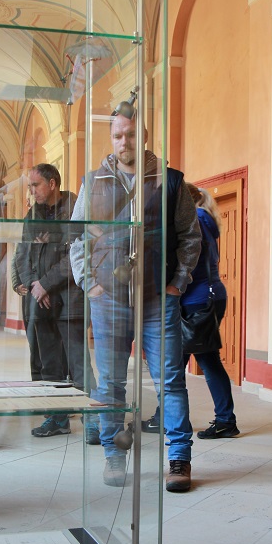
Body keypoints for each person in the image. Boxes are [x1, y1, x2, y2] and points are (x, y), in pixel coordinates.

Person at [70, 100, 200, 492]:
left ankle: (179, 458)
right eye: (117, 135)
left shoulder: (170, 181)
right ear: (110, 138)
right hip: (108, 298)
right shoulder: (94, 182)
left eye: (129, 134)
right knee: (110, 383)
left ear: (142, 136)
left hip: (158, 297)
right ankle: (113, 453)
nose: (123, 141)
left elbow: (190, 236)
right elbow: (77, 236)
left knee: (170, 381)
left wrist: (177, 283)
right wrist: (89, 283)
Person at [142, 185, 239, 439]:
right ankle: (168, 416)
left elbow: (189, 259)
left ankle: (224, 420)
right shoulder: (203, 218)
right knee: (181, 361)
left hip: (197, 300)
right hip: (202, 297)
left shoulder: (197, 219)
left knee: (203, 360)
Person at [13, 163, 98, 442]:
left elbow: (76, 255)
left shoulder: (76, 209)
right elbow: (22, 254)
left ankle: (93, 420)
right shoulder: (32, 216)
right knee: (49, 365)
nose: (32, 191)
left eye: (35, 185)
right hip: (41, 300)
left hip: (70, 299)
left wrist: (45, 284)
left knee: (79, 364)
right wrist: (34, 285)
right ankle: (57, 417)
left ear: (52, 184)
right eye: (30, 185)